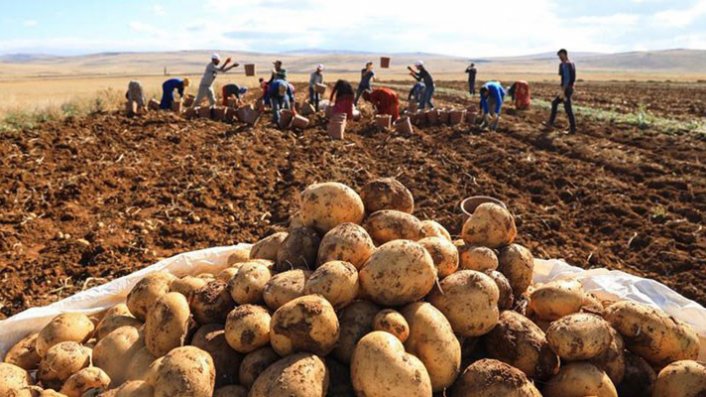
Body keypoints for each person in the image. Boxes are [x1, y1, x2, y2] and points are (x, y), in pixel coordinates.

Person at [546, 48, 577, 134]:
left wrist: (563, 90)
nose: (559, 57)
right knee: (555, 103)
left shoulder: (566, 64)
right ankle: (550, 123)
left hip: (566, 89)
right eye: (559, 56)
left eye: (560, 55)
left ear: (564, 54)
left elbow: (567, 78)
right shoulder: (571, 64)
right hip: (568, 88)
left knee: (568, 108)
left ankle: (573, 129)